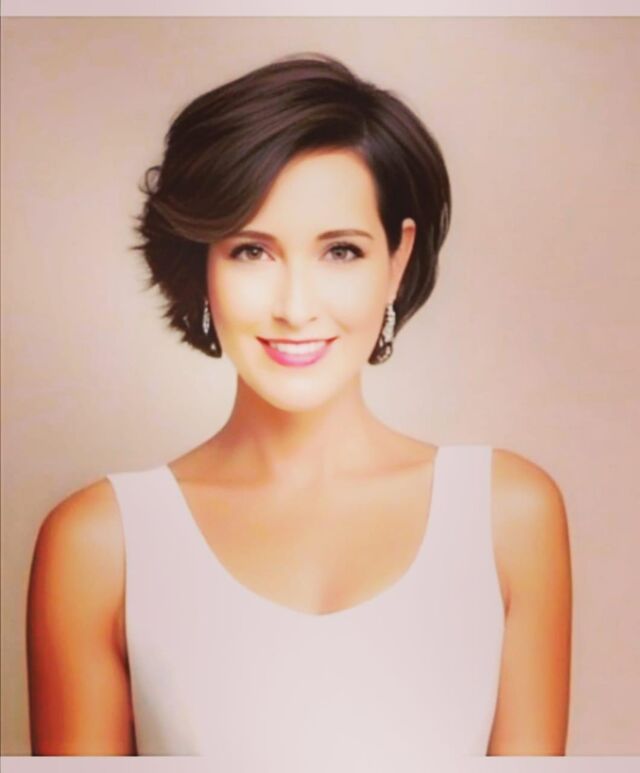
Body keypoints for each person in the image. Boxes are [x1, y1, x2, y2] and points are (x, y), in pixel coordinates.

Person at [26, 53, 572, 762]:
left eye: (340, 251)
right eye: (252, 252)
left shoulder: (508, 517)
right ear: (202, 263)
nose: (295, 306)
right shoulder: (100, 545)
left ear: (397, 260)